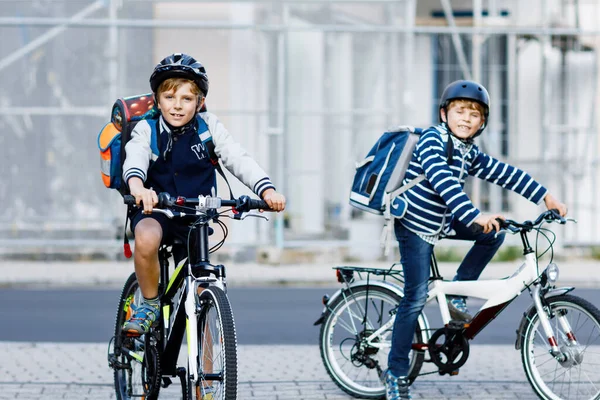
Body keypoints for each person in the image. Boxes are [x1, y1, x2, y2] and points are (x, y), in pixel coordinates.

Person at [383, 80, 568, 400]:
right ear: (444, 113)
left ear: (482, 122)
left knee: (493, 234)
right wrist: (472, 214)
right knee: (414, 298)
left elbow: (503, 172)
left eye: (475, 114)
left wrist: (545, 196)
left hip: (443, 219)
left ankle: (456, 297)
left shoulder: (468, 150)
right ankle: (396, 374)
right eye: (460, 111)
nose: (466, 118)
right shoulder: (432, 139)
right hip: (415, 223)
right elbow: (442, 180)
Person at [121, 53, 286, 336]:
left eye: (187, 99)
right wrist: (138, 188)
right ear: (157, 100)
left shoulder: (208, 127)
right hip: (155, 209)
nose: (177, 106)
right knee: (146, 239)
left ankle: (207, 380)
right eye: (170, 97)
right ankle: (148, 304)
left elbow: (237, 158)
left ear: (200, 103)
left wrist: (266, 189)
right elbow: (134, 159)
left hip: (195, 215)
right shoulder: (147, 129)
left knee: (202, 289)